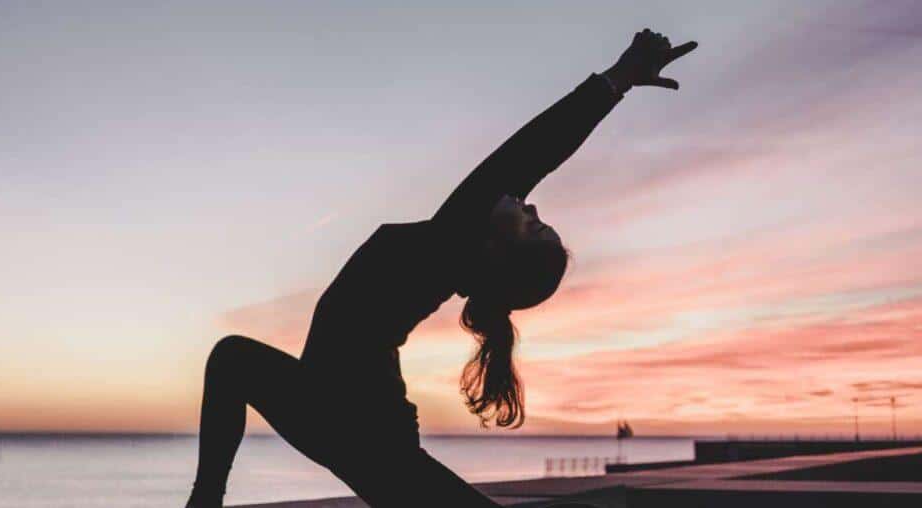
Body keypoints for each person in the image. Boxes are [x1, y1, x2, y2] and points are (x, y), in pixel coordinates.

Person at [187, 29, 696, 508]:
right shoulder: (453, 248)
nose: (533, 209)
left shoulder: (451, 241)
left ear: (498, 253)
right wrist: (617, 82)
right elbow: (525, 164)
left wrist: (617, 79)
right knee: (231, 359)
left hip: (358, 429)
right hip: (336, 415)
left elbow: (533, 151)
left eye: (535, 226)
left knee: (233, 358)